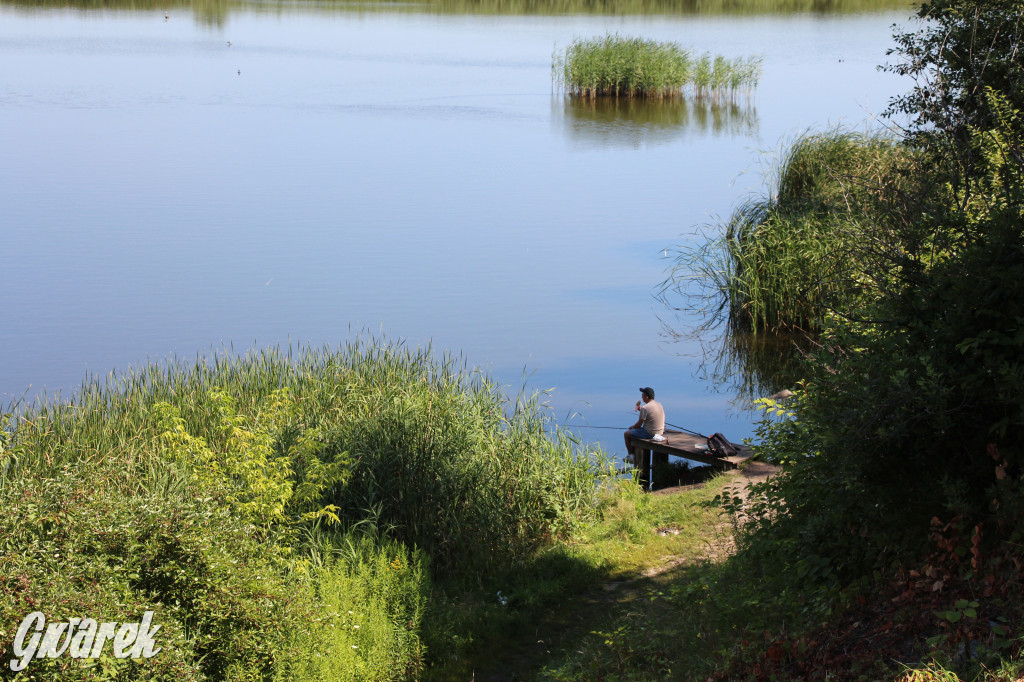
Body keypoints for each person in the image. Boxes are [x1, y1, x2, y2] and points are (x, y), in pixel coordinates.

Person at [624, 387, 665, 459]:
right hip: (660, 432)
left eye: (642, 395)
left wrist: (632, 427)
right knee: (636, 430)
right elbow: (651, 413)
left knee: (626, 434)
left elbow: (638, 425)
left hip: (650, 434)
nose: (641, 396)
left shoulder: (645, 408)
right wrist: (641, 410)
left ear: (647, 397)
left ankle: (630, 456)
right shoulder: (659, 404)